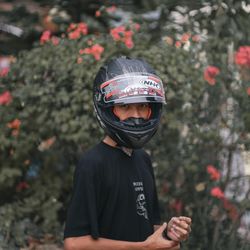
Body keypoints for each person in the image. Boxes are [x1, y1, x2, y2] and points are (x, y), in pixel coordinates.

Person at [64, 57, 192, 250]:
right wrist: (143, 247)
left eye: (142, 106)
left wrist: (168, 234)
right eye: (125, 106)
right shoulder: (93, 163)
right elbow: (74, 243)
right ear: (108, 110)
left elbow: (151, 229)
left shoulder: (142, 159)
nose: (136, 115)